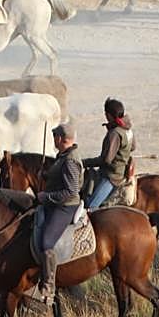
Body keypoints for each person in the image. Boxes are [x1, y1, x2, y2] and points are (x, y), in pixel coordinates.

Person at [36, 123, 83, 305]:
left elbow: (70, 191)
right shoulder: (63, 155)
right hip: (56, 204)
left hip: (65, 207)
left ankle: (49, 287)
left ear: (61, 139)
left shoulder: (70, 160)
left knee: (47, 243)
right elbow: (61, 179)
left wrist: (45, 196)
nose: (53, 139)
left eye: (55, 136)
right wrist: (47, 176)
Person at [82, 99, 134, 208]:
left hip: (112, 176)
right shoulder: (127, 129)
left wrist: (84, 162)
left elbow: (106, 160)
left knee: (90, 206)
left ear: (109, 115)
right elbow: (133, 147)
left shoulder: (115, 133)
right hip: (122, 171)